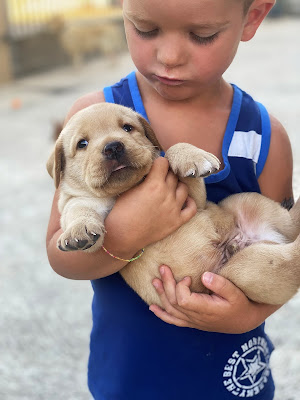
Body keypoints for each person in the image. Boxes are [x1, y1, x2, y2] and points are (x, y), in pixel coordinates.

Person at [46, 0, 295, 399]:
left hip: (234, 380)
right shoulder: (92, 115)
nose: (169, 56)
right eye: (145, 29)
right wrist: (124, 234)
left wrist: (248, 315)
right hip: (130, 381)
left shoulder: (264, 138)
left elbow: (287, 260)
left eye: (202, 35)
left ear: (252, 17)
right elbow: (60, 255)